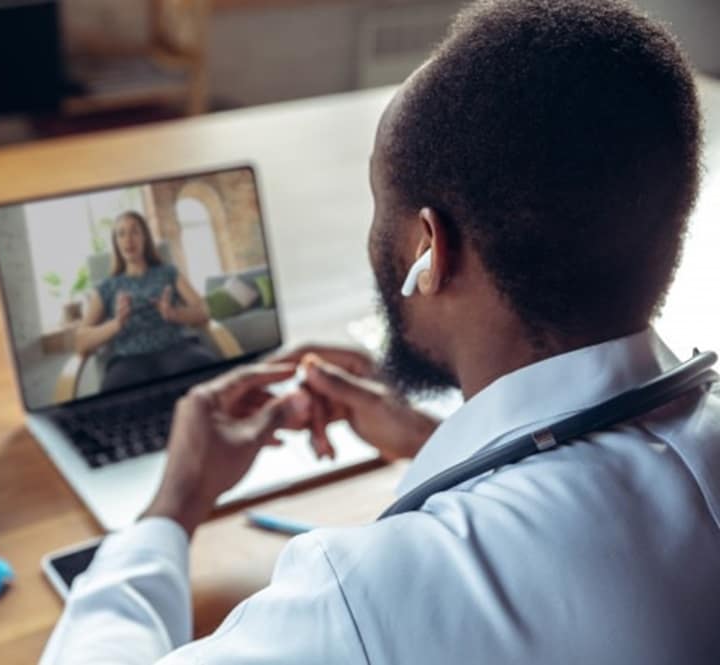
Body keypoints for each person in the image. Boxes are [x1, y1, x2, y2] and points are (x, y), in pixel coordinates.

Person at [41, 1, 720, 662]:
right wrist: (435, 444)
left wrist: (172, 504)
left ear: (430, 249)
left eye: (378, 202)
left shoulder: (366, 598)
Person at [74, 210, 219, 392]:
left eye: (135, 231)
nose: (128, 239)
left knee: (202, 367)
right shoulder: (107, 287)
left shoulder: (168, 273)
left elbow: (204, 310)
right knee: (117, 389)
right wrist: (116, 324)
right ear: (116, 243)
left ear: (145, 238)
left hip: (176, 348)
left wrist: (174, 314)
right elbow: (81, 340)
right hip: (129, 360)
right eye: (121, 233)